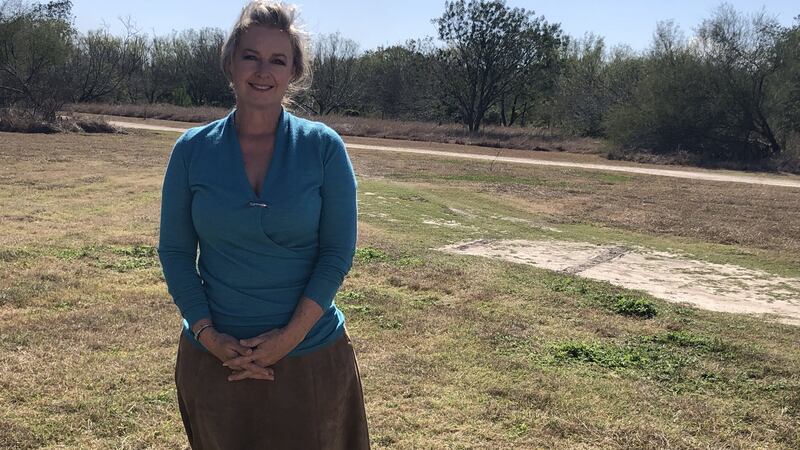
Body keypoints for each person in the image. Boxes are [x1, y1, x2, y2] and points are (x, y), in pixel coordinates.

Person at [157, 1, 369, 448]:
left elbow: (336, 254)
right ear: (231, 62)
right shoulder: (191, 150)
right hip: (215, 364)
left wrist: (288, 339)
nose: (262, 71)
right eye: (251, 56)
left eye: (277, 60)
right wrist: (208, 335)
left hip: (311, 362)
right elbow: (175, 252)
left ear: (294, 72)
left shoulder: (323, 148)